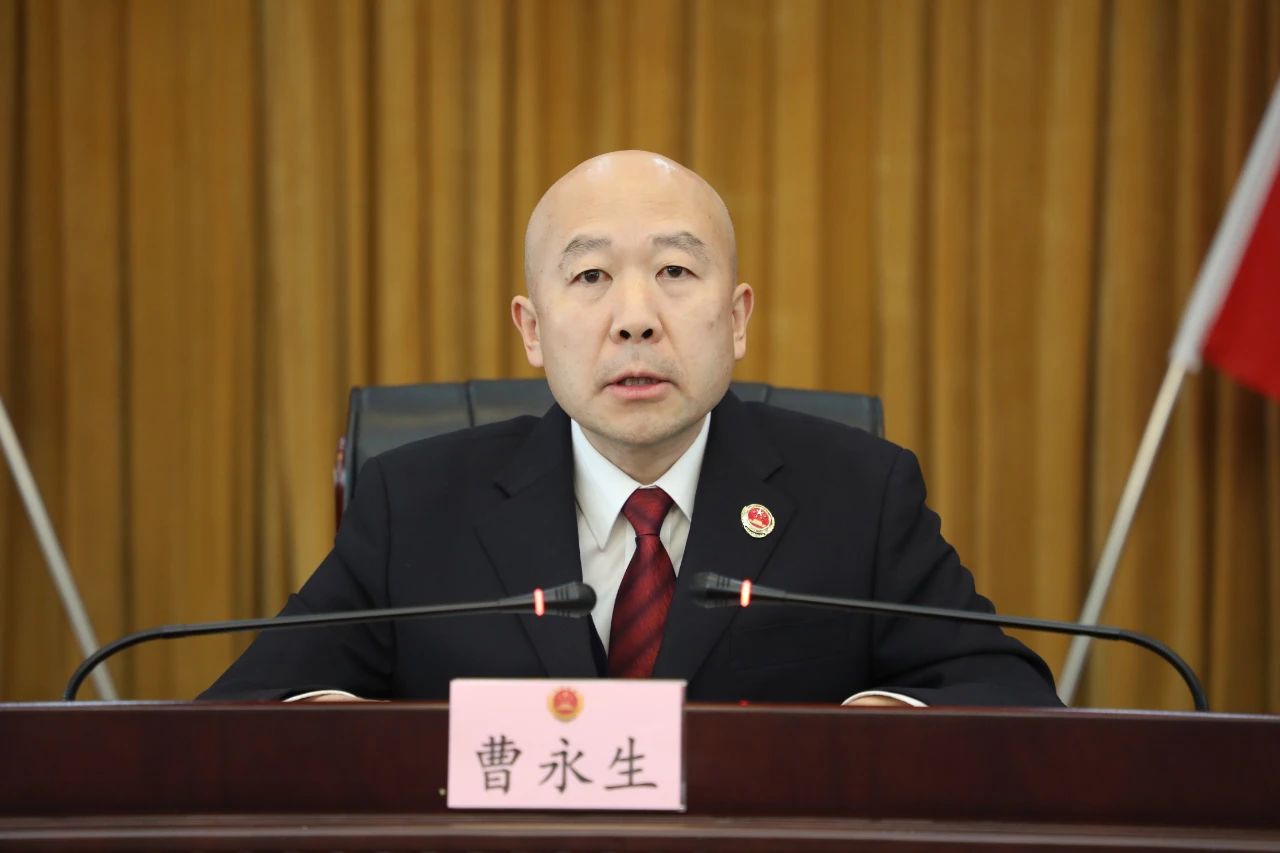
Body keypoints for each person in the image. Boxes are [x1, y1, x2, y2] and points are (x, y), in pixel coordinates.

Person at [201, 151, 1061, 707]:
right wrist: (329, 730)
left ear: (737, 318)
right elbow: (238, 716)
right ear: (532, 329)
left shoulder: (859, 496)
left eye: (676, 270)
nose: (636, 317)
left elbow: (1010, 695)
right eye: (590, 277)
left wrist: (888, 721)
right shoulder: (414, 505)